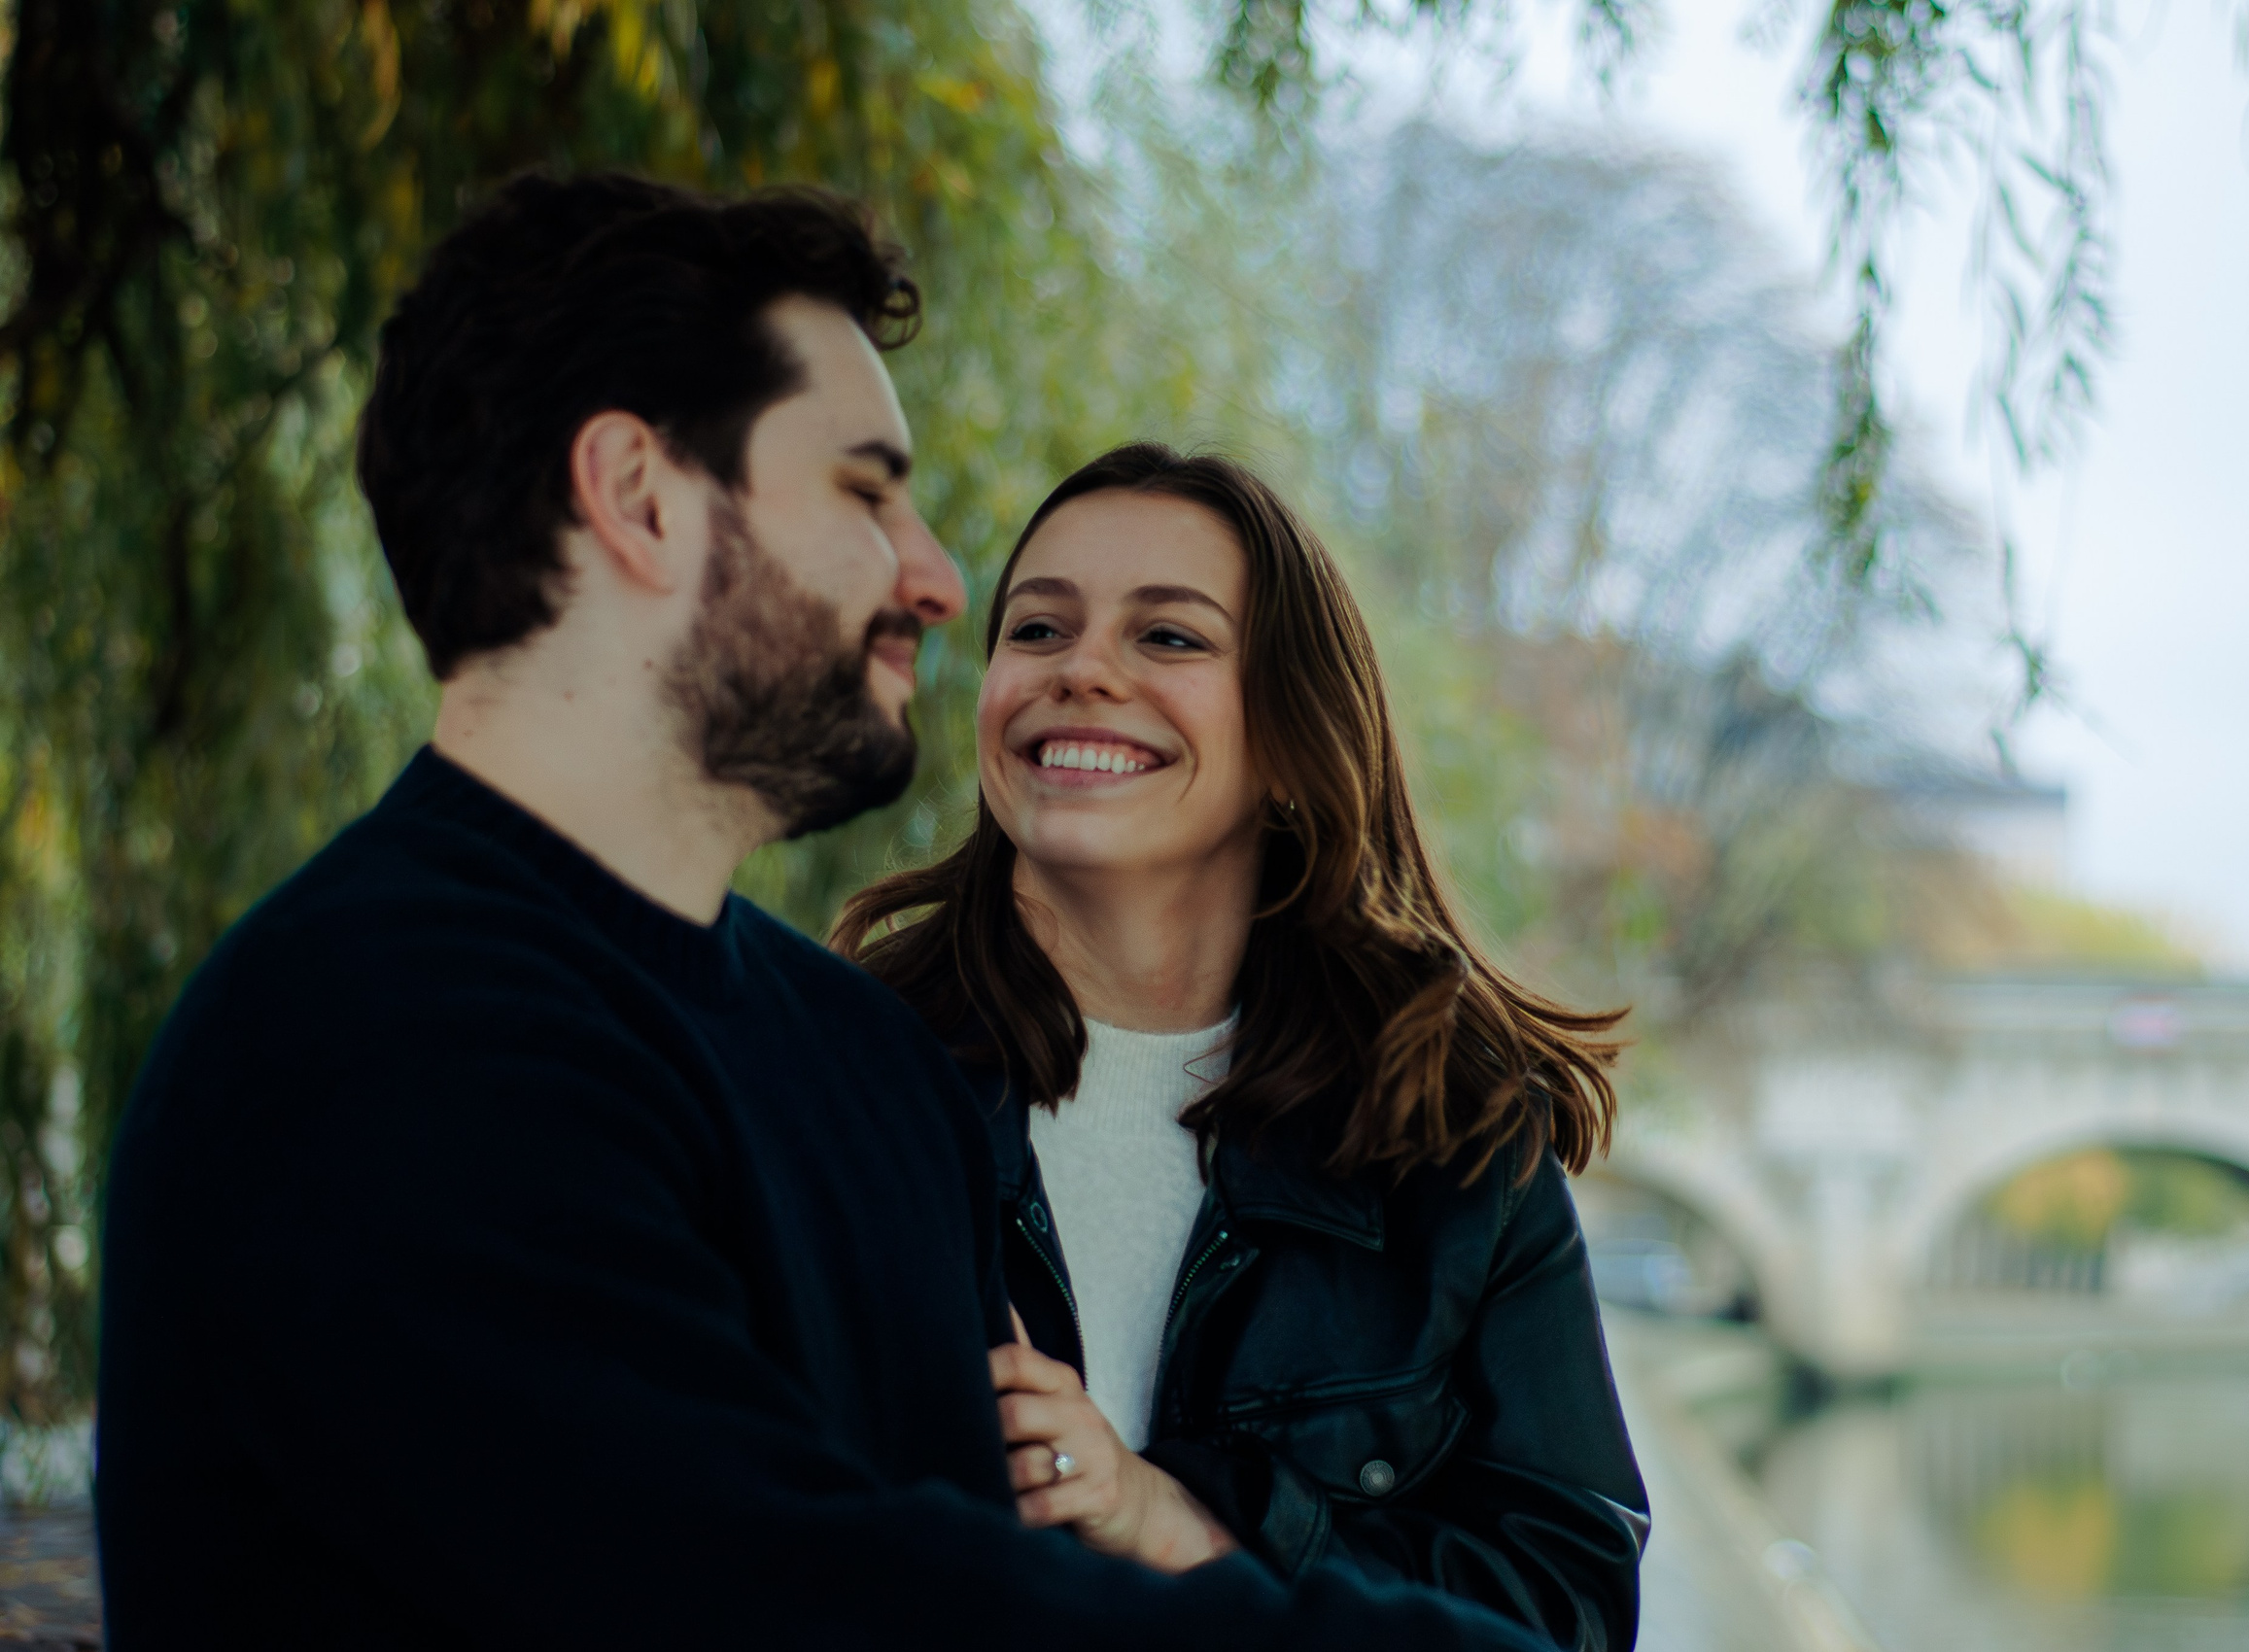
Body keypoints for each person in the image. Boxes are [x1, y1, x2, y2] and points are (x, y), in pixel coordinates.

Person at [94, 173, 1555, 1652]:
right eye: (865, 490)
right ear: (640, 497)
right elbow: (787, 1600)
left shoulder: (867, 1069)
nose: (933, 579)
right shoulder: (372, 1040)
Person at [835, 444, 1651, 1649]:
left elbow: (1567, 1608)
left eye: (1167, 637)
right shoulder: (838, 1072)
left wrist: (1179, 1523)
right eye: (1038, 629)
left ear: (1288, 736)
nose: (1082, 671)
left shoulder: (1455, 1137)